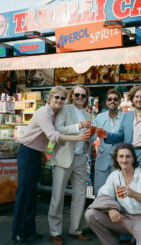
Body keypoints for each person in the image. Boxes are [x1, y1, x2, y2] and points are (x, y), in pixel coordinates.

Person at [12, 86, 90, 245]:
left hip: (36, 153)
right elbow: (53, 135)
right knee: (24, 193)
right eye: (57, 98)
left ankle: (29, 230)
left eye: (62, 98)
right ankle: (17, 232)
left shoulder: (55, 113)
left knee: (32, 193)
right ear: (50, 98)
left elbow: (43, 138)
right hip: (27, 152)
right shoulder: (44, 113)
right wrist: (77, 137)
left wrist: (42, 154)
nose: (60, 101)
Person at [85, 144, 141, 245]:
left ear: (133, 159)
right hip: (123, 219)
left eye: (128, 156)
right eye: (121, 156)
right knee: (91, 214)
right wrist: (111, 209)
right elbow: (102, 195)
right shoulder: (114, 175)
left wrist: (134, 194)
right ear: (117, 159)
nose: (124, 160)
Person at [48, 85, 92, 245]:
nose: (80, 97)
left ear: (86, 98)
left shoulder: (87, 113)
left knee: (80, 196)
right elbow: (58, 129)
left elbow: (87, 137)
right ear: (72, 95)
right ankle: (55, 231)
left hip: (81, 158)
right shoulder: (64, 109)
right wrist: (78, 126)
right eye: (77, 94)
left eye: (83, 95)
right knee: (58, 196)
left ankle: (75, 229)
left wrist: (92, 136)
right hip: (64, 157)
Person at [102, 85, 141, 167]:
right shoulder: (127, 116)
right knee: (129, 179)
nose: (139, 99)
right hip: (129, 154)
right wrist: (107, 135)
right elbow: (120, 134)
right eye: (136, 97)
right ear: (132, 99)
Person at [93, 88, 125, 195]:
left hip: (119, 162)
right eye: (110, 99)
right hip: (102, 160)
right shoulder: (100, 117)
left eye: (115, 99)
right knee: (100, 192)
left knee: (119, 193)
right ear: (106, 102)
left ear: (119, 102)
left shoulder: (126, 117)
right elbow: (92, 136)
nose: (112, 101)